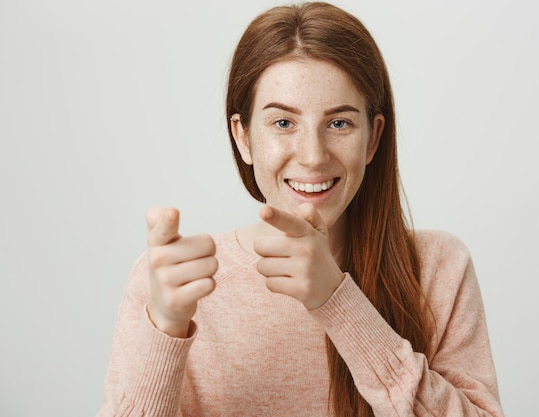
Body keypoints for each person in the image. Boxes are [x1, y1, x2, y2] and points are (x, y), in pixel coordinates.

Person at [97, 2, 504, 416]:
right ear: (243, 138)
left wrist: (338, 301)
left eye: (339, 123)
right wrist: (165, 329)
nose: (312, 157)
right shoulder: (170, 284)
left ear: (373, 138)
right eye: (283, 123)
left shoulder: (438, 267)